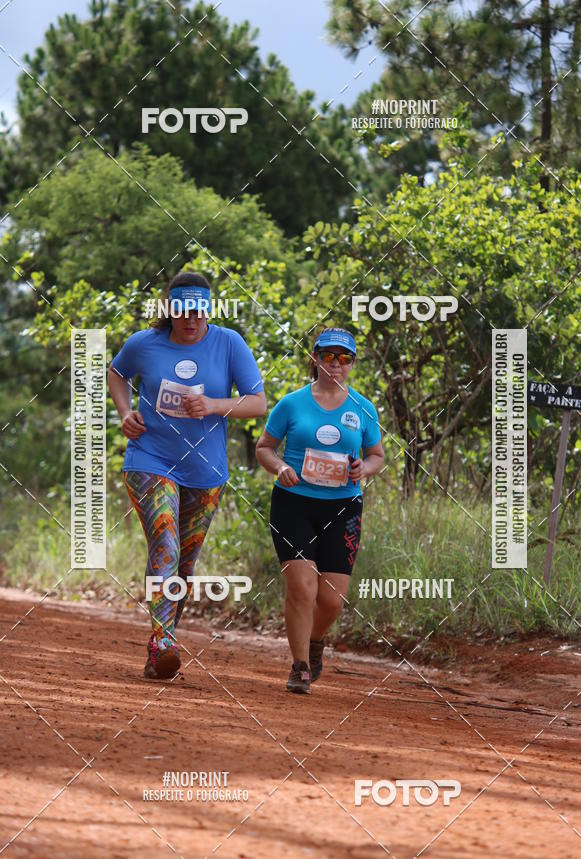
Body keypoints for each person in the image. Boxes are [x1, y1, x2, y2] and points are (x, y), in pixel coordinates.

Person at [108, 272, 266, 679]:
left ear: (208, 309)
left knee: (185, 564)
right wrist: (126, 413)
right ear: (169, 310)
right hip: (150, 459)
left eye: (197, 311)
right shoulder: (144, 344)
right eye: (181, 311)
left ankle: (160, 647)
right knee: (165, 540)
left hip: (205, 471)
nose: (190, 320)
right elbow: (116, 373)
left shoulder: (229, 343)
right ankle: (162, 639)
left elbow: (258, 403)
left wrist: (214, 405)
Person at [255, 327, 384, 694]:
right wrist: (279, 467)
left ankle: (313, 641)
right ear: (315, 358)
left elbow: (376, 456)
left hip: (343, 506)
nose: (336, 365)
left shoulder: (362, 408)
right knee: (301, 586)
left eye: (345, 359)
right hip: (293, 503)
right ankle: (299, 667)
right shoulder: (292, 404)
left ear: (352, 364)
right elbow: (264, 447)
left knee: (331, 599)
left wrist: (365, 469)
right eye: (329, 356)